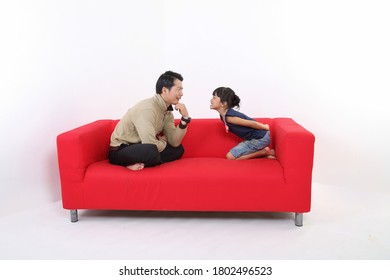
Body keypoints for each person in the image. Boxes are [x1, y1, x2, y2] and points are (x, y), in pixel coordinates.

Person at [109, 71, 191, 171]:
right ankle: (129, 163)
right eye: (178, 89)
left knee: (178, 149)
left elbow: (174, 142)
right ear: (165, 90)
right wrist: (163, 141)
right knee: (151, 150)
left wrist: (185, 118)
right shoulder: (147, 109)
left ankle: (141, 163)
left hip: (141, 147)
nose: (181, 93)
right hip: (121, 149)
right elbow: (149, 143)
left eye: (181, 90)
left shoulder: (167, 112)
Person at [210, 87, 275, 160]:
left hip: (260, 138)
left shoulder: (230, 117)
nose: (211, 100)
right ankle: (263, 153)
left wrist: (266, 127)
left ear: (223, 103)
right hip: (255, 138)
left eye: (214, 98)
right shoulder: (223, 116)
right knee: (232, 156)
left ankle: (264, 152)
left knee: (230, 157)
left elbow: (252, 124)